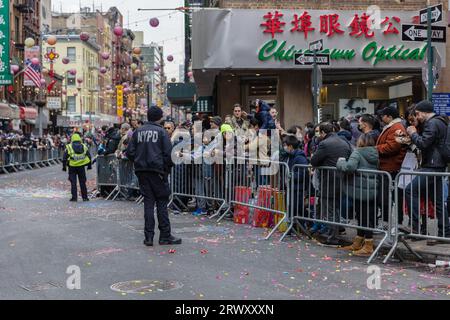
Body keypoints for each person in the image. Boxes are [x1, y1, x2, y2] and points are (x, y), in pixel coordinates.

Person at [126, 106, 181, 247]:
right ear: (158, 117)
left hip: (142, 172)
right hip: (158, 172)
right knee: (162, 203)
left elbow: (130, 152)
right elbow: (169, 155)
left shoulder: (138, 132)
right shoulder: (162, 132)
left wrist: (138, 163)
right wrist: (166, 169)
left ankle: (148, 237)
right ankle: (165, 235)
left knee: (148, 204)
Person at [405, 100, 450, 243]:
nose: (417, 117)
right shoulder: (441, 121)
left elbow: (424, 143)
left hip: (432, 165)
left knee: (410, 190)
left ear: (424, 112)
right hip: (438, 165)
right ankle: (444, 233)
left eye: (417, 114)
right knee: (437, 201)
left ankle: (416, 228)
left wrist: (412, 134)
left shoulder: (432, 123)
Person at [337, 134, 379, 256]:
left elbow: (349, 167)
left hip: (359, 189)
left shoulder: (358, 152)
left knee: (362, 217)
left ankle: (368, 246)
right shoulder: (375, 153)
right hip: (371, 189)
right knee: (367, 216)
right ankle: (359, 241)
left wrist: (340, 162)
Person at [310, 122, 352, 246]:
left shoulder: (324, 143)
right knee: (336, 209)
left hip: (329, 180)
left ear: (323, 133)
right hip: (342, 179)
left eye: (319, 133)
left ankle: (332, 236)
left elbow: (314, 161)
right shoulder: (344, 142)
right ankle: (334, 233)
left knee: (329, 210)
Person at [376, 106, 407, 225]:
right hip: (389, 167)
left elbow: (392, 147)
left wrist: (375, 149)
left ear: (389, 116)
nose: (381, 117)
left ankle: (394, 223)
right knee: (389, 197)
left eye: (383, 115)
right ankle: (390, 222)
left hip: (390, 167)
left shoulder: (396, 127)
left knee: (389, 197)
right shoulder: (395, 127)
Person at [62, 133, 92, 202]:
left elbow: (64, 158)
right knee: (82, 182)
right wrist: (89, 166)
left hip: (72, 167)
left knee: (73, 182)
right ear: (79, 139)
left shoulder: (69, 147)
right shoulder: (84, 146)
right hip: (81, 167)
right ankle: (85, 197)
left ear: (72, 139)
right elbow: (89, 156)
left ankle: (74, 198)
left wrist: (64, 167)